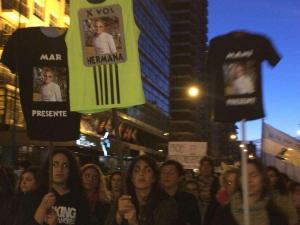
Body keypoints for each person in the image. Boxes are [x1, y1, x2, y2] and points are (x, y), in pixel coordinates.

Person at [21, 149, 91, 225]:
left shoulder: (79, 198)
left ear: (70, 170)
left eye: (65, 165)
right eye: (55, 165)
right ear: (48, 168)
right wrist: (42, 207)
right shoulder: (35, 196)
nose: (60, 169)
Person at [105, 155, 178, 225]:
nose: (141, 173)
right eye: (136, 170)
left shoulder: (166, 204)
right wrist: (119, 215)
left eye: (148, 170)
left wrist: (134, 222)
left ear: (154, 178)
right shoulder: (122, 200)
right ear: (132, 178)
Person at [212, 159, 288, 225]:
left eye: (253, 175)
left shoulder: (276, 217)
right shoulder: (224, 214)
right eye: (244, 176)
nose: (249, 180)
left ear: (263, 179)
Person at [196, 156, 220, 225]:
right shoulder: (194, 181)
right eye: (203, 165)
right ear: (200, 167)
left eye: (208, 165)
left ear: (212, 167)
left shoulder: (218, 182)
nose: (206, 168)